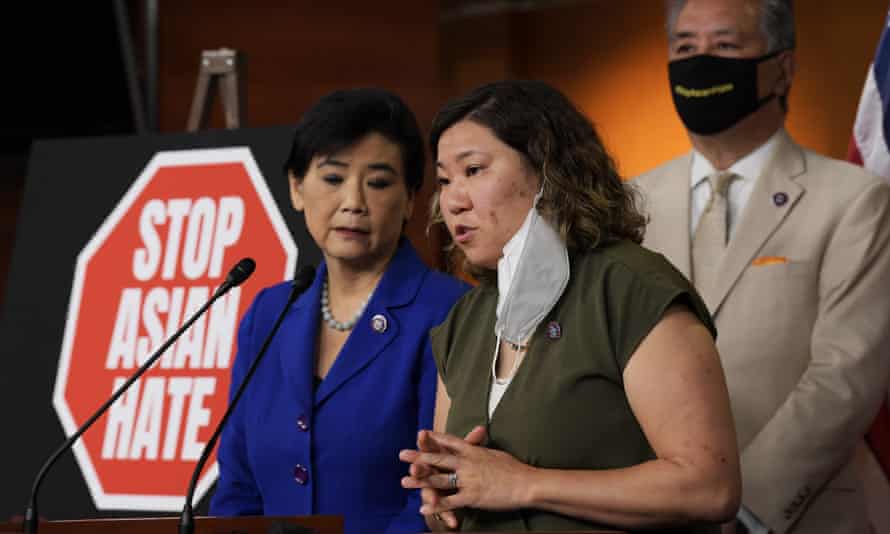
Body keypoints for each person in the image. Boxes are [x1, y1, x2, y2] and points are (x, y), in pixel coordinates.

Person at [398, 80, 741, 533]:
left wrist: (526, 484)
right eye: (444, 180)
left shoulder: (628, 288)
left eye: (474, 170)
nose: (454, 200)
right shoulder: (466, 319)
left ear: (546, 167)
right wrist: (445, 497)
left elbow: (710, 487)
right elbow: (461, 503)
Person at [634, 1, 890, 532]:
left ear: (784, 67)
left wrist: (741, 504)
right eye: (685, 48)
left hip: (805, 514)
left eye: (725, 46)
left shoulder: (856, 199)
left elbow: (847, 374)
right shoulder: (628, 204)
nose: (700, 63)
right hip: (653, 512)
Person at [210, 88, 469, 534]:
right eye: (332, 178)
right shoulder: (268, 312)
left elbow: (437, 499)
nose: (353, 201)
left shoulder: (450, 312)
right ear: (296, 187)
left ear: (410, 199)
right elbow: (238, 486)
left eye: (379, 182)